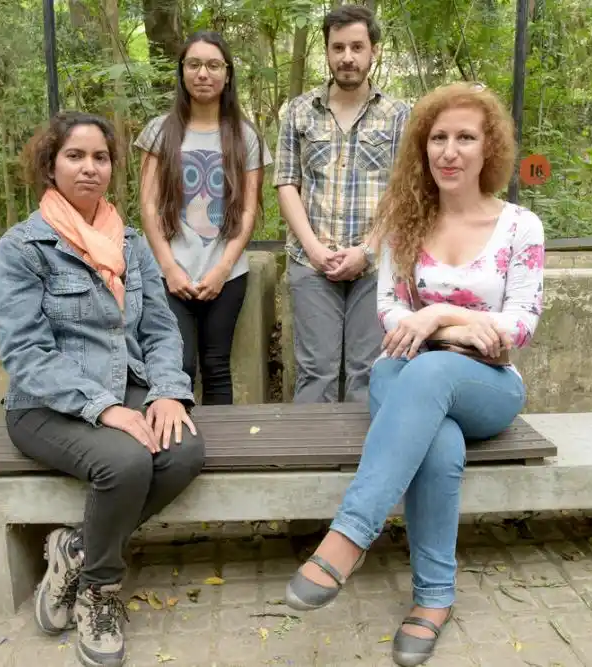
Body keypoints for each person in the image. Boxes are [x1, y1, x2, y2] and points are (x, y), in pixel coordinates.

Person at [283, 83, 546, 667]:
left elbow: (520, 324)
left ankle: (349, 537)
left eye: (465, 138)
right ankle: (433, 599)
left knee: (430, 373)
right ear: (422, 147)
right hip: (403, 372)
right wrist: (452, 326)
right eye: (438, 138)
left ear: (489, 148)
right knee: (438, 440)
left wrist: (438, 315)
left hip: (487, 382)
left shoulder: (519, 226)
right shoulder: (405, 223)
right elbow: (389, 311)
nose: (449, 151)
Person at [0, 110, 205, 667]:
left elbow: (161, 329)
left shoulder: (130, 244)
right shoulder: (24, 247)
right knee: (126, 463)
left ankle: (76, 548)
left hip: (126, 387)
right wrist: (104, 407)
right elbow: (25, 353)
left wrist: (166, 392)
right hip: (45, 405)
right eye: (75, 156)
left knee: (183, 451)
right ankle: (99, 590)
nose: (90, 168)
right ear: (51, 166)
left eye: (101, 157)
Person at [274, 4, 410, 404]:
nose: (347, 57)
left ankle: (366, 445)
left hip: (376, 263)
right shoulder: (300, 111)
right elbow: (287, 183)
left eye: (357, 47)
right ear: (328, 51)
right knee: (315, 371)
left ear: (374, 51)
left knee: (368, 371)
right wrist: (315, 250)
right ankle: (312, 444)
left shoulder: (399, 115)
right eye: (338, 48)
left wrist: (367, 249)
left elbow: (403, 190)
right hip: (311, 261)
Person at [136, 31, 272, 405]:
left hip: (226, 274)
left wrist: (222, 269)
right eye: (194, 64)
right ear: (182, 71)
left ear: (227, 74)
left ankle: (221, 440)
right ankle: (177, 437)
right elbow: (148, 206)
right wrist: (169, 268)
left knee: (217, 366)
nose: (203, 74)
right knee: (178, 365)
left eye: (213, 65)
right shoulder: (159, 131)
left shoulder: (245, 136)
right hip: (168, 274)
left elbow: (247, 209)